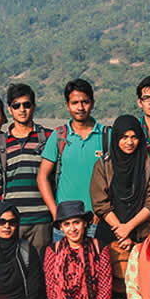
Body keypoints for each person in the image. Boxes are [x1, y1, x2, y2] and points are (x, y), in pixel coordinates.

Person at [89, 115, 150, 299]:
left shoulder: (149, 164)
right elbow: (100, 203)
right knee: (112, 290)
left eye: (134, 137)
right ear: (116, 139)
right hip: (109, 233)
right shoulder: (104, 164)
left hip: (141, 233)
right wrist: (119, 228)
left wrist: (129, 227)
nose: (129, 142)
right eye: (124, 137)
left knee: (140, 288)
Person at [0, 83, 54, 252]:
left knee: (39, 271)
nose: (22, 109)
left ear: (34, 107)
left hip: (42, 219)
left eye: (26, 104)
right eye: (16, 106)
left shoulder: (49, 138)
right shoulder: (0, 144)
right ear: (9, 109)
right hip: (11, 221)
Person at [39, 79, 109, 243]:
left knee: (96, 267)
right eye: (75, 102)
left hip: (97, 221)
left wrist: (102, 212)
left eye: (85, 102)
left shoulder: (107, 135)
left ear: (92, 103)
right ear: (67, 105)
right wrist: (55, 212)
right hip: (66, 223)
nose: (80, 107)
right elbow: (42, 176)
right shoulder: (59, 136)